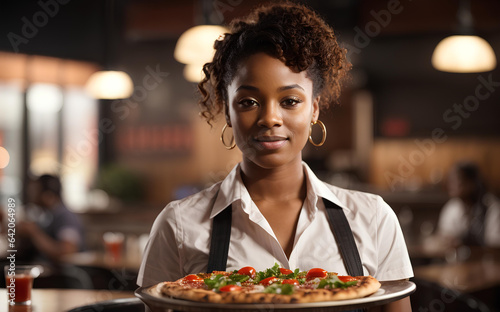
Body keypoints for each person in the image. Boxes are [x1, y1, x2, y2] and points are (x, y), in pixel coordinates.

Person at [138, 2, 413, 310]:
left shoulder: (374, 218)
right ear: (227, 111)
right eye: (248, 101)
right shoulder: (178, 224)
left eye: (290, 100)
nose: (270, 118)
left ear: (314, 109)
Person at [17, 174, 85, 263]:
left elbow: (67, 252)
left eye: (35, 191)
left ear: (47, 195)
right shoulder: (48, 215)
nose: (31, 195)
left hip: (62, 275)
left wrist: (34, 232)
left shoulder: (65, 216)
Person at [437, 162, 500, 247]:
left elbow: (495, 244)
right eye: (450, 180)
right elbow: (443, 237)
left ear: (472, 183)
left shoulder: (492, 207)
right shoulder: (452, 207)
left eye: (457, 180)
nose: (451, 184)